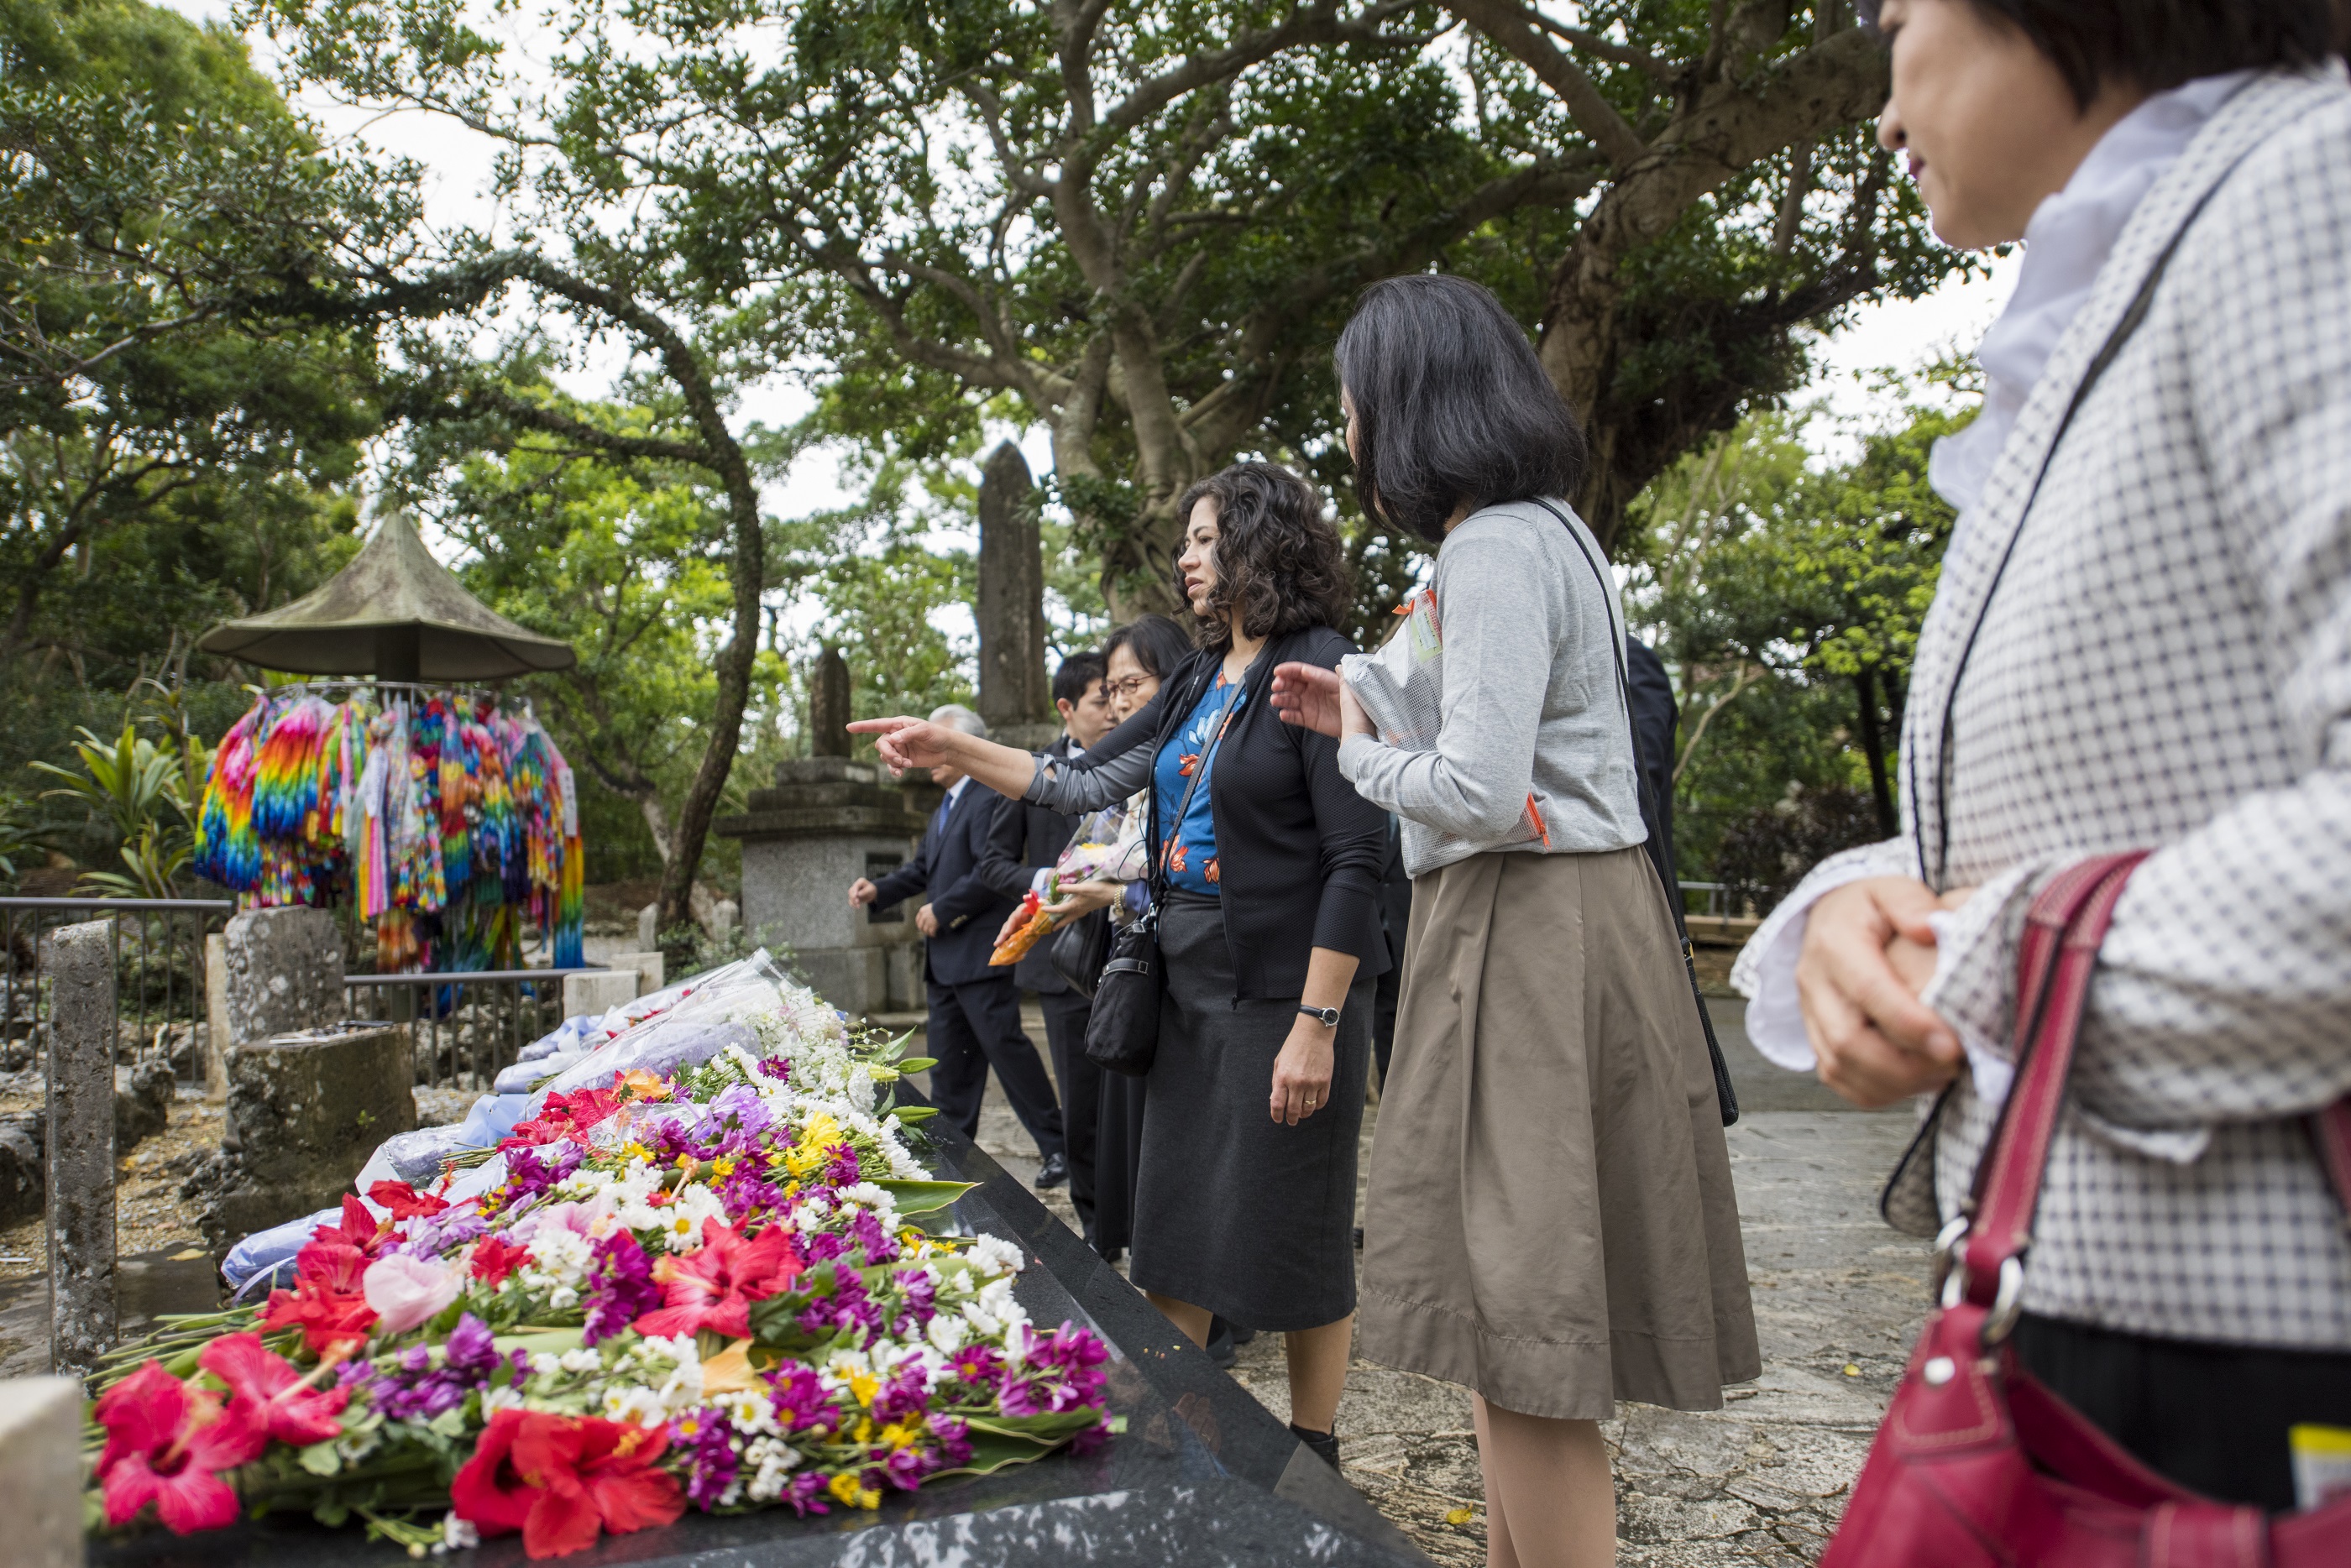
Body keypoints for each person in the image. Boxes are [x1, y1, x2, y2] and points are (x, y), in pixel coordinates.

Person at [1729, 0, 2351, 1513]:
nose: (1884, 101)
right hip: (2106, 1316)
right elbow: (2126, 791)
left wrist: (1977, 952)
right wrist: (1858, 906)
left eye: (1892, 16)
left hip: (2265, 1355)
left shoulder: (2307, 188)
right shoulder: (2140, 271)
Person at [1271, 273, 1758, 1568]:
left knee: (1520, 1321)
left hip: (1525, 932)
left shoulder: (1487, 548)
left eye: (1354, 404)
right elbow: (1509, 742)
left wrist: (1359, 758)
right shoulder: (1548, 531)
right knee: (1518, 1317)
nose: (1353, 433)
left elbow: (1481, 790)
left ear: (1406, 401)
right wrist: (1364, 702)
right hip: (1573, 921)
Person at [854, 466, 1389, 1468]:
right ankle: (1164, 1435)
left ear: (1256, 540)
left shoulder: (1321, 666)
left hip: (1286, 985)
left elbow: (1357, 857)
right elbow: (1082, 777)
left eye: (1200, 537)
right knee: (1173, 1221)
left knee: (1296, 1225)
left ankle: (1313, 1446)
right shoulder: (1194, 674)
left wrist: (1317, 1024)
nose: (1184, 557)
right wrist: (956, 749)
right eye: (1185, 541)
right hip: (1182, 979)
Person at [847, 704, 1067, 1186]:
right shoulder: (944, 807)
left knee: (1009, 1058)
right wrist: (879, 890)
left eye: (937, 741)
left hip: (979, 951)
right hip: (943, 963)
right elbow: (923, 870)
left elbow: (991, 871)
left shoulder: (990, 794)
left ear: (964, 744)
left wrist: (945, 909)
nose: (930, 753)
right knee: (948, 1069)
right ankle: (944, 1157)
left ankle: (1058, 1147)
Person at [976, 651, 1116, 1228]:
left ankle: (1137, 1222)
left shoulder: (1142, 760)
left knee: (1131, 1108)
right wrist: (1051, 884)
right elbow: (991, 862)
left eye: (1120, 694)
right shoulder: (1033, 773)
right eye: (1100, 700)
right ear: (1067, 708)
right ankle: (1096, 1230)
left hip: (1133, 949)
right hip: (1063, 964)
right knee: (1082, 1108)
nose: (1114, 710)